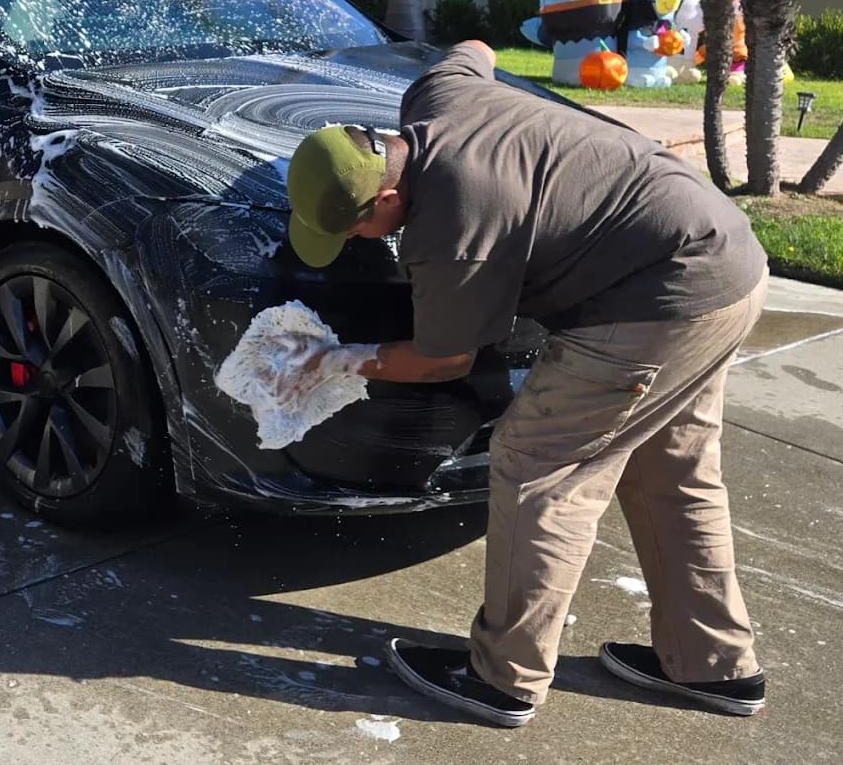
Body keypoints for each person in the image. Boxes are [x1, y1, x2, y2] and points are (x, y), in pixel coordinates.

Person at [283, 40, 769, 727]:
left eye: (360, 226)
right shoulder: (435, 98)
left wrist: (335, 359)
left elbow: (442, 358)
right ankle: (714, 664)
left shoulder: (450, 224)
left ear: (389, 192)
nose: (361, 241)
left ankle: (503, 679)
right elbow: (472, 49)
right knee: (670, 469)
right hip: (724, 258)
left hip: (656, 299)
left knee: (538, 464)